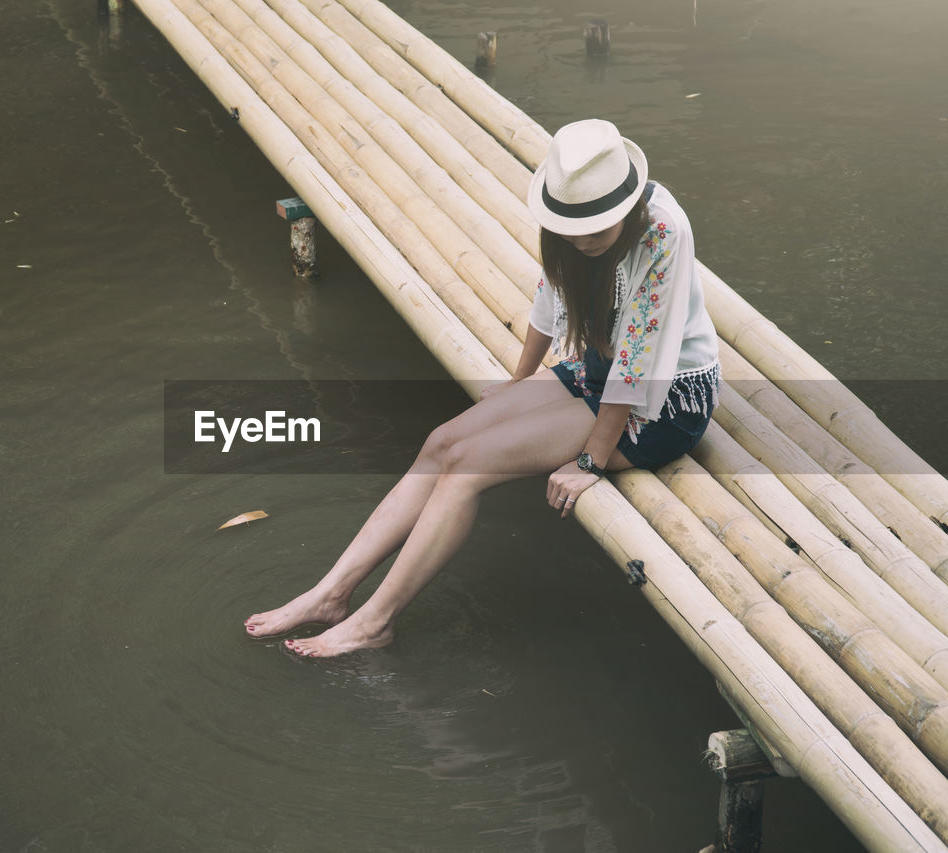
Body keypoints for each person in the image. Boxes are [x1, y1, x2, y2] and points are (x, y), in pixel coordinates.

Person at [244, 119, 720, 658]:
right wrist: (518, 388)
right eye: (574, 227)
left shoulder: (663, 231)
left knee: (467, 468)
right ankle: (331, 594)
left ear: (625, 206)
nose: (583, 239)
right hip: (596, 370)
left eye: (596, 229)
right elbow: (550, 299)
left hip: (664, 401)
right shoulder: (564, 223)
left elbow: (639, 365)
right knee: (444, 441)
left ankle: (374, 622)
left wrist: (590, 462)